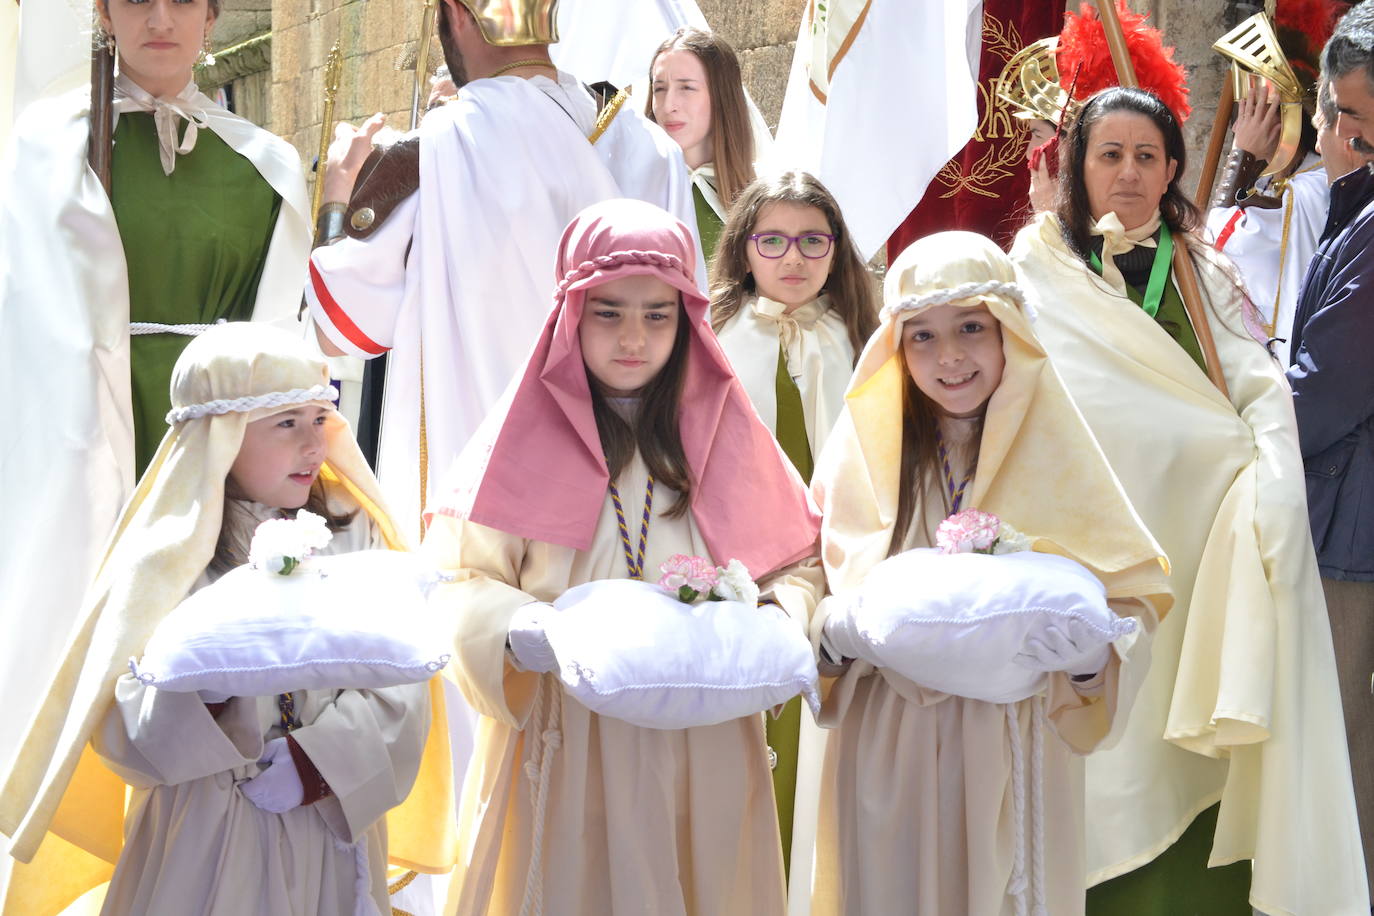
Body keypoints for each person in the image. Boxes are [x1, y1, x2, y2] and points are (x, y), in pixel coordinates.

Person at [1011, 85, 1368, 915]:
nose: (1128, 175)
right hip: (1083, 560)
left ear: (1174, 167)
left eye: (1146, 157)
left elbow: (1259, 392)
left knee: (1187, 741)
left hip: (1203, 554)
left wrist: (1273, 491)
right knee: (1097, 747)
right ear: (1077, 167)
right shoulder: (1031, 271)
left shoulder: (1206, 270)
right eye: (1109, 155)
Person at [424, 199, 822, 914]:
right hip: (569, 736)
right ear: (571, 314)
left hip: (702, 744)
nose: (633, 338)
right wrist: (518, 629)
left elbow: (798, 562)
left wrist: (777, 614)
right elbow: (457, 581)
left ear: (686, 320)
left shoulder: (726, 431)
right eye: (608, 312)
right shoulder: (520, 437)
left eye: (657, 314)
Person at [0, 0, 310, 888]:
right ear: (103, 12)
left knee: (205, 672)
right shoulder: (46, 147)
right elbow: (29, 327)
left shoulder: (266, 167)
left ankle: (198, 876)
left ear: (214, 15)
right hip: (82, 441)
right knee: (82, 655)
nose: (161, 17)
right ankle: (70, 875)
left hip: (207, 451)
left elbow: (275, 336)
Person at [0, 324, 455, 914]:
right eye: (286, 423)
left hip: (328, 824)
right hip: (206, 833)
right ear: (222, 434)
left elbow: (401, 678)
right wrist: (204, 697)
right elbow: (121, 725)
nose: (313, 445)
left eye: (319, 419)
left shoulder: (353, 529)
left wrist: (320, 762)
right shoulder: (166, 559)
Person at [809, 231, 1168, 915]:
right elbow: (812, 577)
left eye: (972, 327)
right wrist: (832, 628)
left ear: (1010, 331)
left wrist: (1094, 662)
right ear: (895, 347)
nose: (950, 357)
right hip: (894, 744)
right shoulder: (865, 453)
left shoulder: (1061, 444)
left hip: (1020, 743)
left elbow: (1130, 594)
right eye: (922, 336)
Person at [307, 0, 697, 539]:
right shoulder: (655, 151)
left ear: (456, 14)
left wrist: (335, 196)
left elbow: (336, 329)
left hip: (480, 514)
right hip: (629, 506)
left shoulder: (435, 151)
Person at [707, 170, 876, 868]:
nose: (793, 259)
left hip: (837, 569)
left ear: (836, 250)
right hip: (741, 567)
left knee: (821, 749)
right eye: (772, 240)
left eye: (812, 241)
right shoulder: (712, 336)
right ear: (744, 249)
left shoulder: (863, 339)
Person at [1287, 1, 1374, 894]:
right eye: (1338, 111)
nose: (1342, 132)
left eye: (1356, 115)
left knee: (1348, 739)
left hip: (1356, 534)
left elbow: (1325, 393)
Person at [1206, 69, 1328, 365]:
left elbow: (1216, 241)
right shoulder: (1274, 182)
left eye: (1253, 111)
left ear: (1282, 120)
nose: (1238, 126)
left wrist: (1242, 153)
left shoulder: (1309, 190)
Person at [647, 27, 755, 264]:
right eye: (659, 89)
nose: (668, 106)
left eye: (686, 87)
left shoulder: (764, 200)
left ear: (721, 96)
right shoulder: (632, 193)